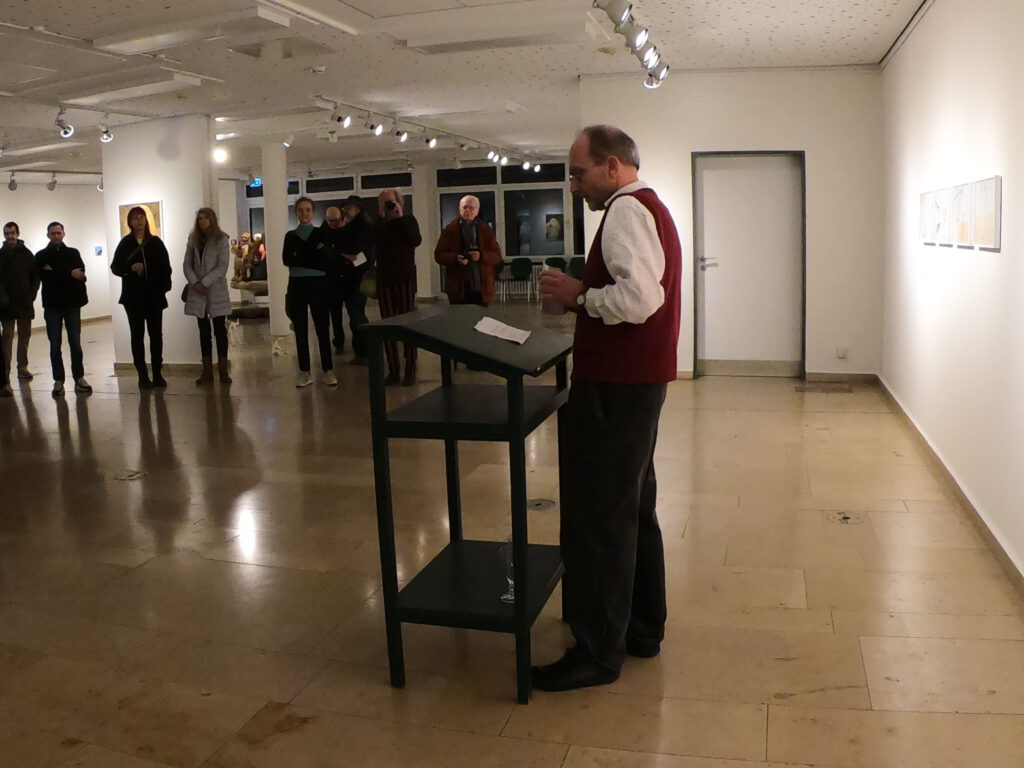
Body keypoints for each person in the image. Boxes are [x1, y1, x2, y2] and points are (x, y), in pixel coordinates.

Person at [534, 125, 682, 692]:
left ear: (612, 166)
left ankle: (596, 652)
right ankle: (642, 628)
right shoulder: (650, 207)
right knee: (632, 509)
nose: (574, 185)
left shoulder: (625, 210)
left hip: (616, 387)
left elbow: (639, 299)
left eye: (579, 173)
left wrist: (577, 296)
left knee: (600, 519)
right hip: (637, 384)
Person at [111, 207, 172, 389]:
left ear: (146, 220)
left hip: (154, 296)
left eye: (142, 217)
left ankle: (157, 373)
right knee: (137, 336)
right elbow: (115, 267)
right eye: (135, 218)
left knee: (156, 335)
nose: (139, 221)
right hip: (133, 298)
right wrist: (129, 269)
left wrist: (162, 287)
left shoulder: (155, 243)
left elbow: (166, 268)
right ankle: (142, 375)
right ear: (130, 222)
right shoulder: (125, 243)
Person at [283, 196, 335, 388]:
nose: (304, 213)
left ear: (312, 212)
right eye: (300, 210)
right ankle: (304, 371)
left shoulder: (321, 233)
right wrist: (313, 252)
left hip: (318, 284)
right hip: (297, 284)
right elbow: (287, 260)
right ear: (296, 213)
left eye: (308, 210)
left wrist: (300, 255)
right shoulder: (290, 236)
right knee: (300, 329)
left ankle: (328, 370)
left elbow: (325, 260)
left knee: (322, 327)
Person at [371, 188, 422, 385]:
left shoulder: (408, 220)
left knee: (408, 325)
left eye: (391, 202)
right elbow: (373, 241)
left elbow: (415, 240)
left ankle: (410, 369)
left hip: (405, 279)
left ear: (399, 202)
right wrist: (383, 217)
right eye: (385, 202)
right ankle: (393, 370)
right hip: (385, 280)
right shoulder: (379, 224)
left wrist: (399, 217)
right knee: (388, 326)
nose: (389, 205)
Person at [35, 221, 91, 397]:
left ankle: (79, 378)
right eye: (53, 233)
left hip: (72, 304)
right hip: (52, 306)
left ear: (64, 234)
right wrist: (69, 273)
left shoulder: (73, 253)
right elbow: (45, 277)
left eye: (58, 233)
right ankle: (58, 380)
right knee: (55, 345)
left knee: (75, 344)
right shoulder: (41, 256)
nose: (56, 236)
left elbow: (80, 274)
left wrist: (55, 272)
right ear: (48, 235)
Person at [183, 207, 232, 386]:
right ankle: (207, 371)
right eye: (200, 218)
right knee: (203, 332)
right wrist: (195, 282)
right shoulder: (193, 239)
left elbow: (222, 265)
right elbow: (187, 264)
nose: (202, 221)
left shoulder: (221, 239)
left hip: (216, 291)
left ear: (212, 220)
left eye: (206, 218)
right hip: (198, 293)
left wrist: (205, 282)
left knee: (220, 331)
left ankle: (223, 370)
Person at [321, 197, 370, 363]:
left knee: (356, 316)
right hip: (338, 280)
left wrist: (338, 251)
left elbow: (358, 253)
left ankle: (363, 351)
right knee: (343, 315)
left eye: (349, 208)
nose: (346, 210)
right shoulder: (348, 228)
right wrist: (342, 253)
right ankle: (351, 347)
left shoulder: (360, 228)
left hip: (353, 279)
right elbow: (330, 251)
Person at [434, 195, 501, 306]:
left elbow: (497, 256)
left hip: (481, 286)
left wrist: (481, 256)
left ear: (477, 211)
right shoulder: (449, 231)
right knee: (459, 316)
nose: (467, 210)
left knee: (480, 317)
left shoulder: (486, 231)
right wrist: (455, 258)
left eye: (471, 208)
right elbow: (439, 255)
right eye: (465, 207)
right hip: (458, 287)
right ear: (460, 209)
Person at [1, 221, 40, 391]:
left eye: (12, 233)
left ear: (17, 233)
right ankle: (5, 372)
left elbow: (35, 277)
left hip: (24, 304)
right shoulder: (0, 255)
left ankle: (22, 367)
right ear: (4, 235)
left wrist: (30, 296)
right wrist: (2, 299)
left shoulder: (27, 254)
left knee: (24, 336)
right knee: (7, 337)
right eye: (7, 233)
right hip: (5, 306)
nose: (10, 236)